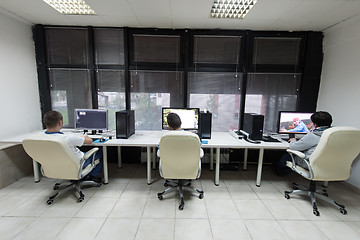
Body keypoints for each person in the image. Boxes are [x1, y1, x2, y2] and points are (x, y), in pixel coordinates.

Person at [43, 110, 103, 183]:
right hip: (77, 163)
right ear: (60, 122)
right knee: (99, 152)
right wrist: (84, 136)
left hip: (53, 166)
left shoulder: (40, 138)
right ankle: (93, 177)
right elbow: (90, 141)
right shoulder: (68, 138)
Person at [276, 111, 333, 176]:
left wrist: (293, 140)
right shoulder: (334, 134)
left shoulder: (314, 135)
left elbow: (293, 147)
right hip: (327, 163)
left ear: (315, 124)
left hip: (310, 162)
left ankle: (281, 172)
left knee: (287, 154)